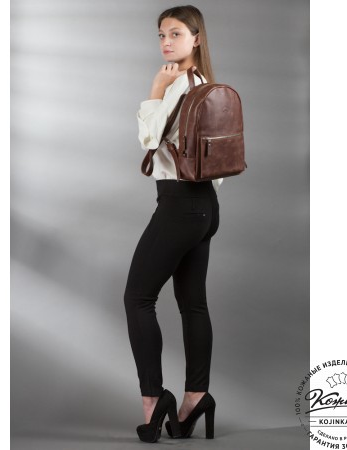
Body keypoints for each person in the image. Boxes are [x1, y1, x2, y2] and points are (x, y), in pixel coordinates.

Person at [123, 5, 219, 442]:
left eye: (176, 33)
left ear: (196, 38)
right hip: (206, 205)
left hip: (180, 204)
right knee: (193, 304)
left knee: (138, 298)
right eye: (161, 34)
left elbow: (149, 138)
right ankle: (196, 398)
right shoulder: (207, 84)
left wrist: (155, 89)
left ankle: (153, 401)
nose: (166, 42)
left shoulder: (181, 84)